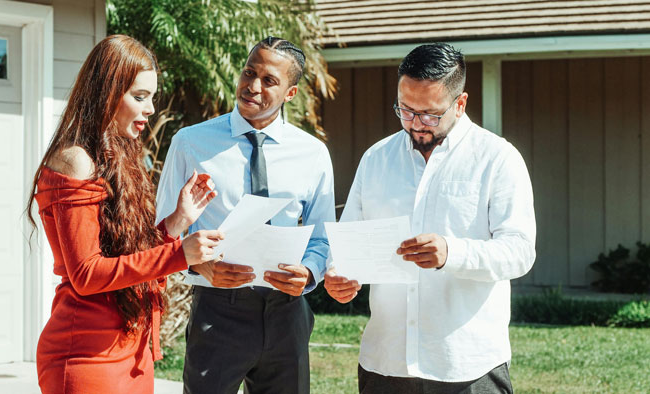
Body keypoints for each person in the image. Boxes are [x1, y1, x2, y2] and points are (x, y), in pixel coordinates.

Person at [324, 43, 536, 393]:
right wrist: (339, 274)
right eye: (405, 110)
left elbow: (520, 251)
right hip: (385, 361)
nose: (416, 124)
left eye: (430, 115)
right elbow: (348, 241)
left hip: (467, 364)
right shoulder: (376, 158)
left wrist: (452, 253)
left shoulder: (498, 159)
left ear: (461, 103)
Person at [26, 35, 223, 394]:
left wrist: (177, 222)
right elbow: (86, 274)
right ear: (107, 92)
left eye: (152, 97)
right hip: (87, 356)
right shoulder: (75, 161)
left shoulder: (116, 155)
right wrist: (179, 254)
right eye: (139, 96)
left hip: (130, 349)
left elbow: (127, 257)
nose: (150, 109)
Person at [155, 36, 335, 394]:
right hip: (217, 309)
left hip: (287, 313)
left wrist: (310, 272)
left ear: (290, 93)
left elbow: (323, 236)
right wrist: (198, 264)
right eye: (249, 72)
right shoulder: (191, 143)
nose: (252, 86)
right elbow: (162, 228)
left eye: (269, 80)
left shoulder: (312, 154)